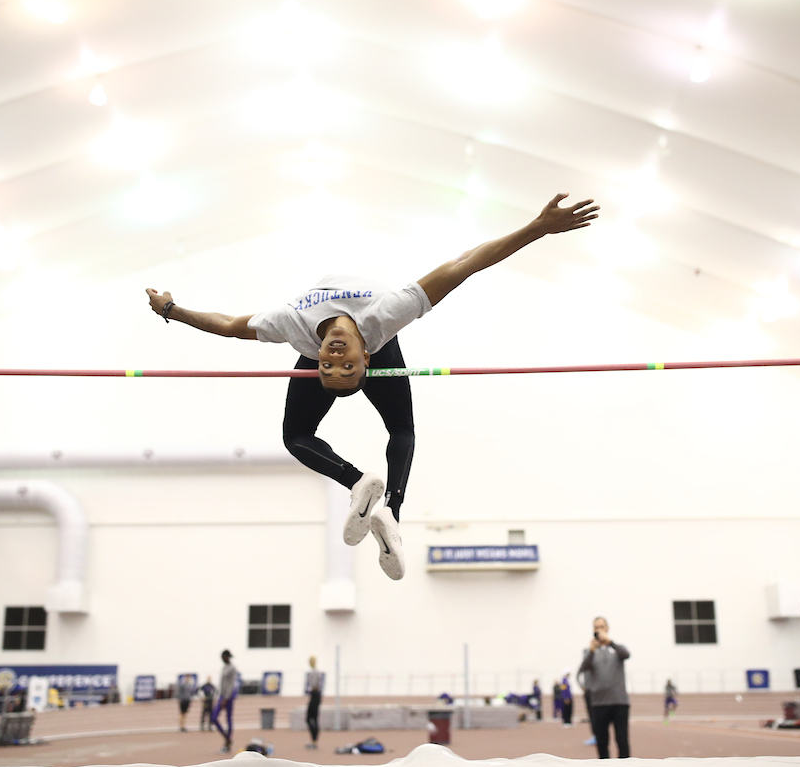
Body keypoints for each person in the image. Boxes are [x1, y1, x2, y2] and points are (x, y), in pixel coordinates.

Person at [146, 194, 598, 580]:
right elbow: (464, 266)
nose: (336, 354)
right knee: (387, 429)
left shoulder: (297, 329)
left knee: (299, 434)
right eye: (339, 362)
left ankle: (384, 505)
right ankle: (374, 496)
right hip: (378, 339)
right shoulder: (386, 316)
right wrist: (537, 228)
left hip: (364, 342)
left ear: (319, 360)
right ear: (365, 361)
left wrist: (172, 309)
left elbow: (229, 326)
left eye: (330, 362)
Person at [578, 616, 630, 759]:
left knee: (622, 740)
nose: (599, 630)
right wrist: (592, 650)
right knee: (602, 743)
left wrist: (610, 642)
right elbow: (583, 668)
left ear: (607, 628)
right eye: (596, 627)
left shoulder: (618, 648)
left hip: (619, 702)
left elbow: (626, 655)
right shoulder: (589, 652)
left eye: (601, 627)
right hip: (599, 703)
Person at [211, 650, 240, 753]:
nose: (222, 659)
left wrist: (226, 698)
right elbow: (222, 683)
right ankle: (227, 738)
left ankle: (228, 743)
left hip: (228, 696)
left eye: (223, 657)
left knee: (228, 719)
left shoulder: (232, 668)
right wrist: (220, 696)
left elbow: (230, 684)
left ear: (227, 657)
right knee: (213, 718)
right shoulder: (224, 667)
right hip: (222, 695)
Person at [305, 656, 323, 749]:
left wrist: (313, 691)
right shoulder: (313, 672)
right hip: (314, 695)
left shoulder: (316, 673)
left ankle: (314, 741)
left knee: (313, 718)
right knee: (310, 718)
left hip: (315, 695)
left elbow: (316, 685)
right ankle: (313, 740)